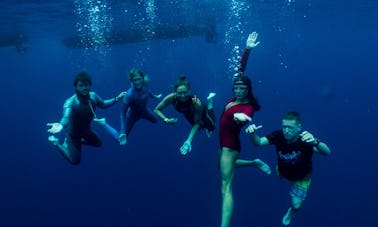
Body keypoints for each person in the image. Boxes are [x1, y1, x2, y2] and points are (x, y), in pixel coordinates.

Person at [219, 32, 271, 227]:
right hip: (223, 145)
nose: (239, 90)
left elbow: (245, 117)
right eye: (237, 88)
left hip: (230, 147)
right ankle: (253, 163)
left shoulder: (247, 107)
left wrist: (240, 117)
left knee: (225, 188)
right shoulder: (236, 95)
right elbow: (240, 68)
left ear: (248, 90)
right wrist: (247, 49)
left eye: (242, 89)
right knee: (222, 169)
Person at [245, 111, 331, 226]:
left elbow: (327, 152)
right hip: (282, 170)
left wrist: (316, 142)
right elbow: (258, 143)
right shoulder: (278, 136)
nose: (286, 130)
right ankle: (260, 164)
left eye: (290, 127)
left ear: (299, 127)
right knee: (278, 173)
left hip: (302, 176)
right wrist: (252, 133)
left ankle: (291, 212)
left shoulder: (306, 140)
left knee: (296, 205)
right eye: (284, 127)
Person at [47, 71, 125, 165]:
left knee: (98, 143)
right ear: (76, 87)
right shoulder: (70, 103)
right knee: (75, 161)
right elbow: (66, 117)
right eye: (81, 85)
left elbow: (103, 104)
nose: (84, 88)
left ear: (90, 85)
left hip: (87, 131)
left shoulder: (93, 96)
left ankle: (79, 141)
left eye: (86, 85)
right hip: (73, 135)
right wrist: (61, 125)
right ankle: (56, 143)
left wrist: (116, 98)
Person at [94, 68, 162, 145]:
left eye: (139, 79)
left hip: (144, 111)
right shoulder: (129, 95)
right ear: (131, 81)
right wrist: (123, 132)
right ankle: (103, 123)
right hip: (132, 117)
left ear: (143, 78)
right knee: (120, 141)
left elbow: (147, 93)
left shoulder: (145, 84)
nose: (137, 82)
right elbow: (122, 113)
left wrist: (155, 97)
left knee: (156, 121)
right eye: (134, 80)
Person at [154, 75, 216, 155]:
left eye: (185, 92)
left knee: (212, 126)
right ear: (175, 93)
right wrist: (166, 120)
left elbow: (197, 123)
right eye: (180, 93)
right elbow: (156, 110)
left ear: (189, 91)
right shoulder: (171, 97)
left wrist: (188, 141)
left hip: (201, 111)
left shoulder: (196, 102)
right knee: (200, 127)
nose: (183, 96)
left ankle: (210, 101)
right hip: (188, 113)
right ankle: (206, 127)